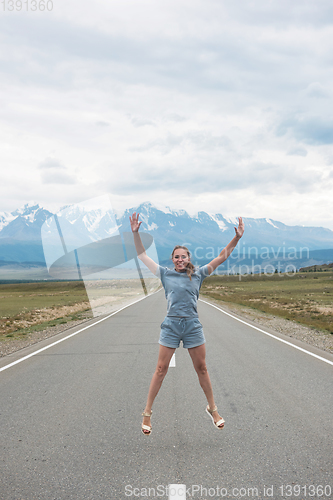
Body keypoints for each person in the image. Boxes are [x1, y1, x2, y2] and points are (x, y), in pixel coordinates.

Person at [130, 212, 244, 435]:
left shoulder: (200, 274)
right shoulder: (164, 274)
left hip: (192, 326)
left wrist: (237, 238)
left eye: (183, 257)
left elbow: (222, 256)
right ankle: (147, 412)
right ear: (172, 259)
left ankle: (213, 410)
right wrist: (135, 233)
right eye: (176, 257)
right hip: (171, 326)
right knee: (161, 369)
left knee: (201, 368)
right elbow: (142, 255)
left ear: (189, 258)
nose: (180, 260)